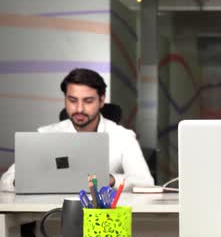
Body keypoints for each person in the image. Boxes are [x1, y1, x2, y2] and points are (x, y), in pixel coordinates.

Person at [0, 68, 154, 192]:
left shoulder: (123, 136)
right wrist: (26, 181)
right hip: (53, 213)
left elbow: (145, 182)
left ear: (101, 101)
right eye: (72, 100)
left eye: (88, 101)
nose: (79, 108)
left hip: (104, 215)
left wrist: (109, 179)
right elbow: (6, 180)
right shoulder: (46, 135)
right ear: (65, 99)